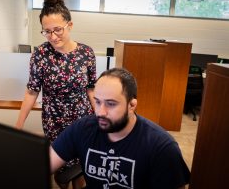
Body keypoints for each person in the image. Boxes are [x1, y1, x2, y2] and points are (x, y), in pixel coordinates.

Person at [50, 68, 190, 189]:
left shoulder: (161, 146)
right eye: (97, 102)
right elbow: (45, 165)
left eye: (110, 104)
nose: (100, 112)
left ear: (132, 105)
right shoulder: (83, 128)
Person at [15, 0, 96, 188]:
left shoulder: (86, 53)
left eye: (58, 30)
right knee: (60, 173)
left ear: (70, 25)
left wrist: (101, 116)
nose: (53, 36)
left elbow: (91, 88)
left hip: (83, 120)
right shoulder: (40, 54)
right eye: (47, 31)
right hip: (54, 123)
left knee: (81, 171)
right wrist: (17, 126)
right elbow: (32, 91)